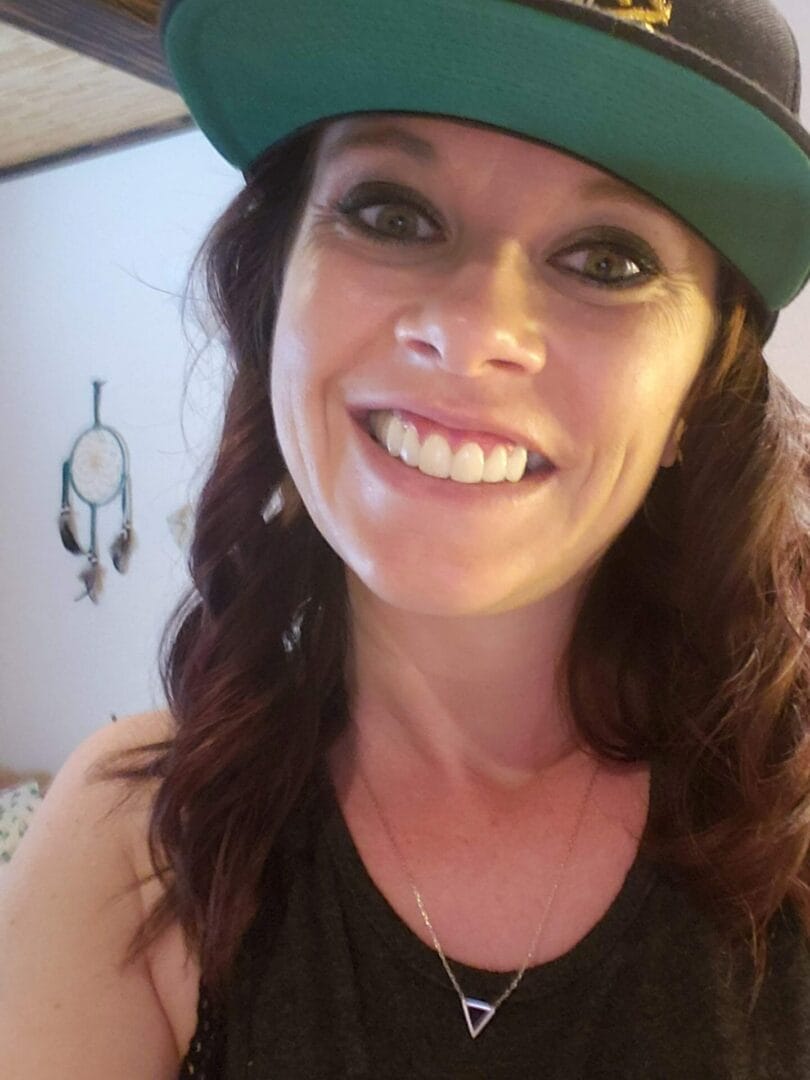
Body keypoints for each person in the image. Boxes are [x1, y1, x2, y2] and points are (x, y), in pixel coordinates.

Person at [1, 0, 809, 1075]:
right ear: (274, 294)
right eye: (391, 214)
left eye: (609, 261)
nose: (471, 333)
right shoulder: (135, 846)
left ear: (696, 398)